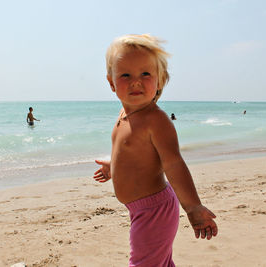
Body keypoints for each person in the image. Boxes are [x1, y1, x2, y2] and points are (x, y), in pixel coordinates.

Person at [93, 34, 217, 267]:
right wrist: (114, 166)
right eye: (126, 75)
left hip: (154, 211)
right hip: (140, 209)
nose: (135, 81)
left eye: (145, 74)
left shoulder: (155, 120)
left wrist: (193, 207)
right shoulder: (125, 114)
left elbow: (173, 164)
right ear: (111, 83)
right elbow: (132, 151)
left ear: (159, 81)